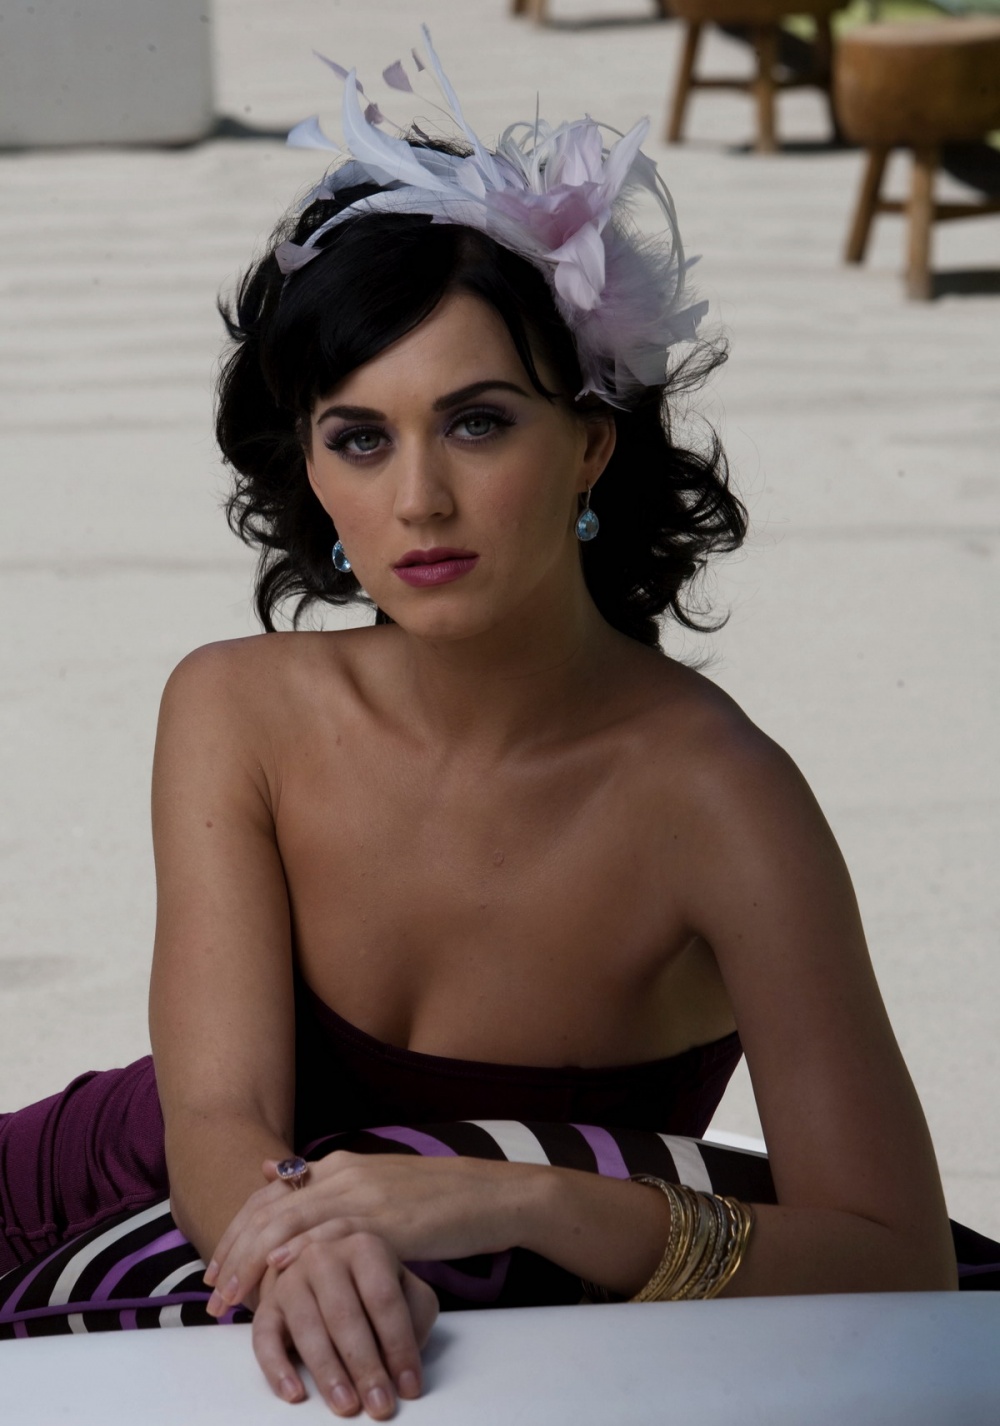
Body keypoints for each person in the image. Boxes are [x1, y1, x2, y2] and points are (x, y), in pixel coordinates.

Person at [0, 30, 958, 1422]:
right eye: (361, 438)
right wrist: (304, 1246)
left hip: (477, 1275)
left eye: (479, 423)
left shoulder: (720, 799)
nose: (419, 502)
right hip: (111, 1194)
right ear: (311, 469)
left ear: (591, 443)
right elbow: (214, 1116)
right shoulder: (235, 707)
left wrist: (509, 1197)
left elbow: (900, 1262)